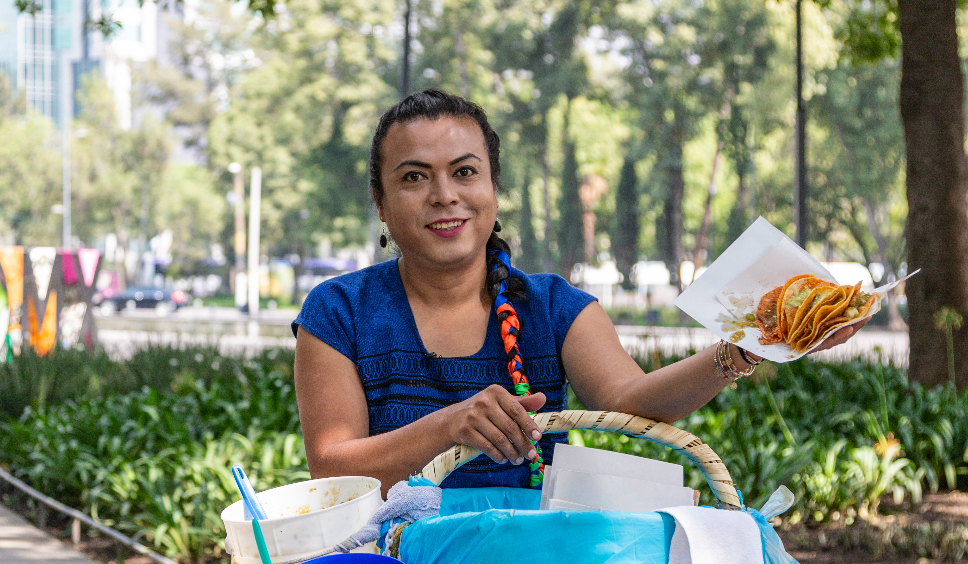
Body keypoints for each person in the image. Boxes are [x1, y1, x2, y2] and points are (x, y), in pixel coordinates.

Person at [293, 89, 864, 493]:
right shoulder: (338, 311)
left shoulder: (553, 308)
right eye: (414, 177)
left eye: (465, 172)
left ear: (493, 188)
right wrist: (447, 426)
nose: (445, 195)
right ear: (381, 203)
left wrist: (740, 350)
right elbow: (332, 469)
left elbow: (631, 400)